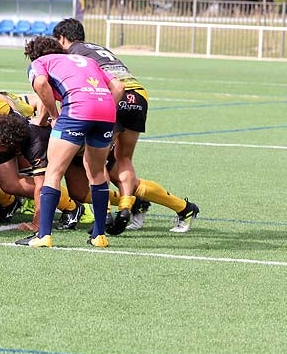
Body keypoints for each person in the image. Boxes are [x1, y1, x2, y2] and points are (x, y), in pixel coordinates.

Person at [51, 18, 199, 234]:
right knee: (122, 160)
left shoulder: (72, 55)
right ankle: (129, 206)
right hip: (138, 93)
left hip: (115, 95)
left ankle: (109, 214)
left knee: (95, 157)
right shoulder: (97, 48)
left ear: (62, 38)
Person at [17, 36, 124, 249]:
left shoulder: (40, 63)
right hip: (106, 112)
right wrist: (105, 112)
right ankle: (99, 236)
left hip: (76, 110)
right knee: (96, 172)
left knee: (54, 171)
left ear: (33, 55)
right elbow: (119, 87)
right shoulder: (87, 61)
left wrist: (55, 115)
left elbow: (40, 83)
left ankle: (44, 235)